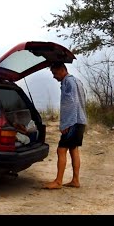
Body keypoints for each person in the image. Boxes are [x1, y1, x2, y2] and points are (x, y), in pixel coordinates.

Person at [43, 62, 87, 190]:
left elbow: (70, 103)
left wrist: (66, 124)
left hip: (73, 121)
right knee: (73, 149)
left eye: (54, 73)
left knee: (61, 150)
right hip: (80, 120)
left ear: (62, 70)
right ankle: (75, 180)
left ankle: (58, 181)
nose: (54, 76)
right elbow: (81, 100)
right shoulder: (77, 81)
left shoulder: (68, 82)